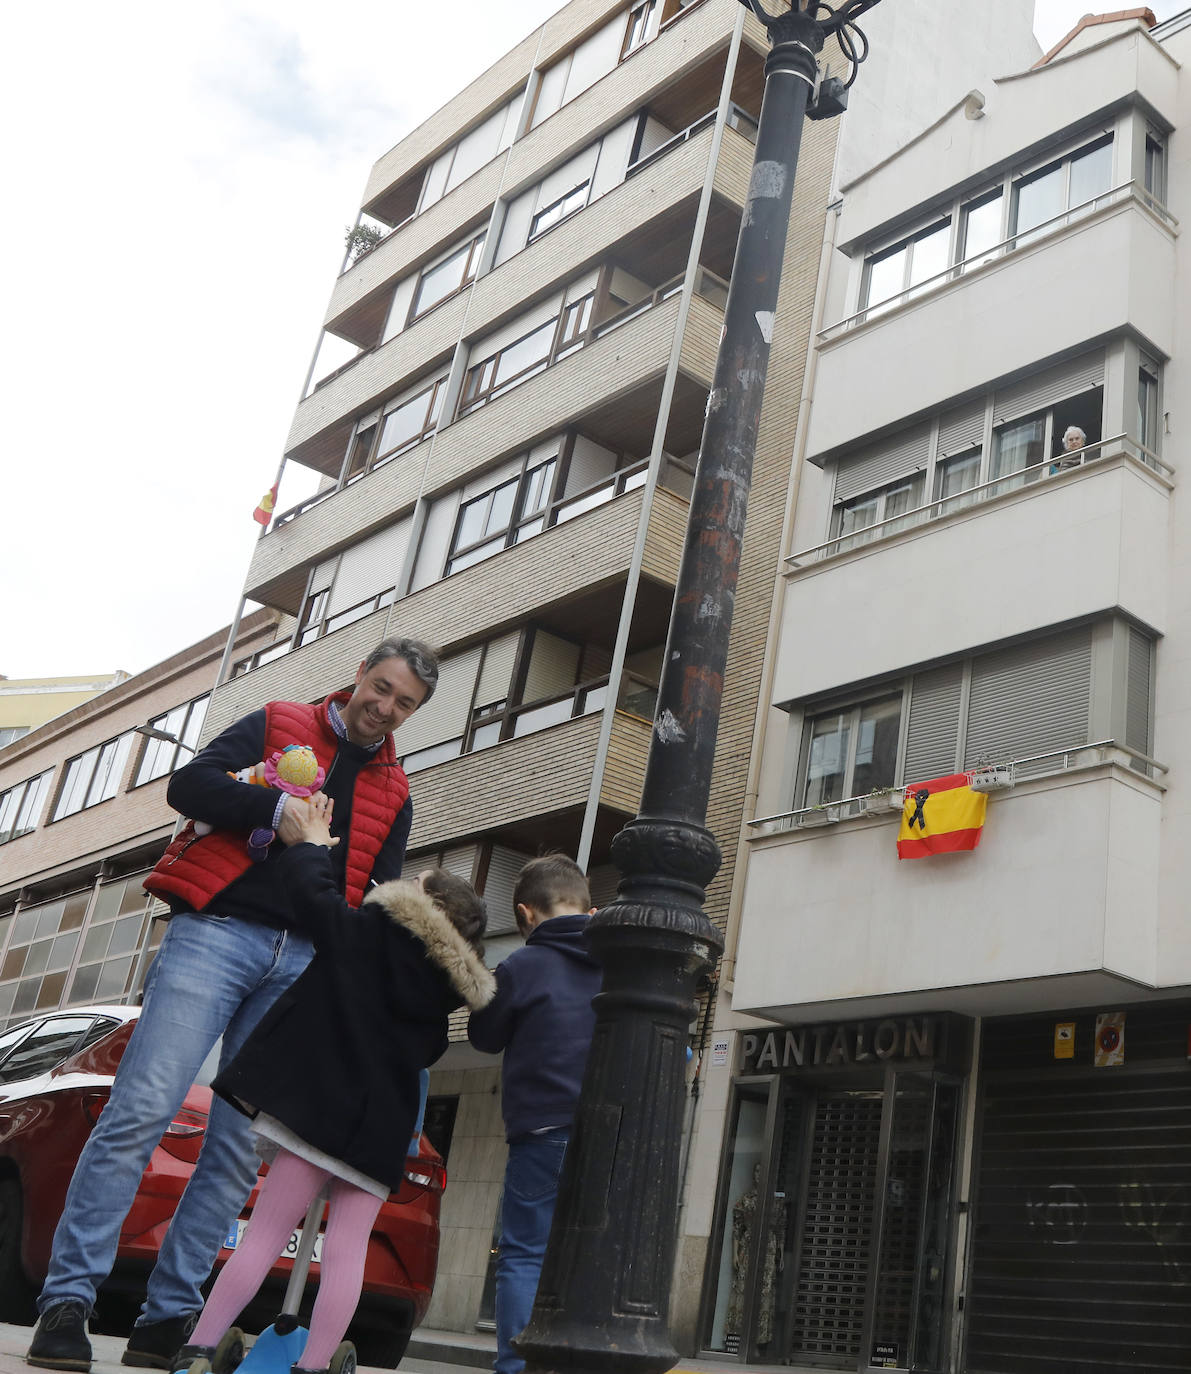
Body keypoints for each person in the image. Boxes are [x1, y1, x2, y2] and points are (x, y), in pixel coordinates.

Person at [27, 638, 438, 1374]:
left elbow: (376, 899)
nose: (384, 707)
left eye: (403, 702)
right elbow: (189, 787)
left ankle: (170, 1319)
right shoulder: (278, 720)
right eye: (380, 688)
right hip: (215, 933)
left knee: (235, 1147)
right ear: (359, 677)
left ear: (413, 711)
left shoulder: (397, 791)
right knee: (142, 1108)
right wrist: (276, 805)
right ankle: (68, 1302)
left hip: (303, 967)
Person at [171, 794, 494, 1374]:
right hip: (379, 1133)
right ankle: (313, 1366)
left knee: (266, 1232)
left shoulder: (372, 932)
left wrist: (315, 848)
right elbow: (426, 1052)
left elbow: (316, 905)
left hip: (317, 1114)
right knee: (348, 1253)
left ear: (427, 905)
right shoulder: (442, 992)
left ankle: (200, 1346)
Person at [466, 855, 600, 1374]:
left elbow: (484, 1036)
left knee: (524, 1253)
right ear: (590, 907)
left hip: (541, 1129)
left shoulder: (522, 966)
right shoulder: (621, 959)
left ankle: (518, 1368)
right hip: (608, 1133)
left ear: (524, 914)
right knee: (592, 1254)